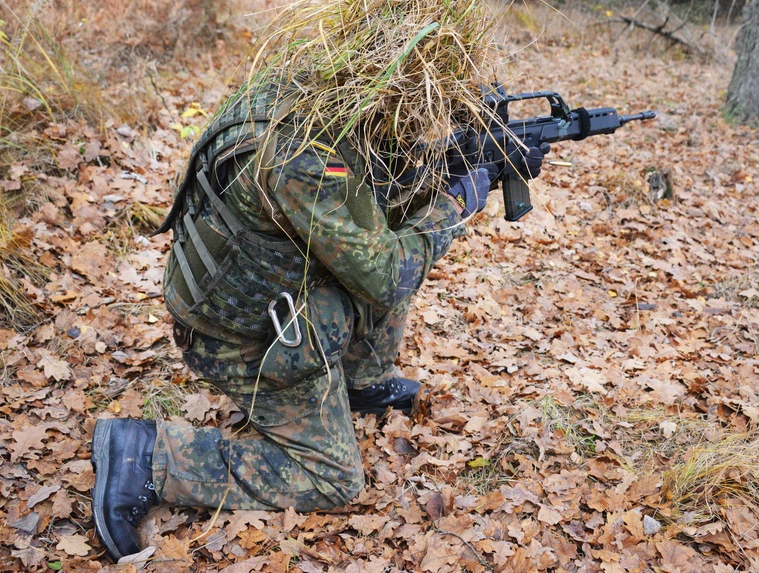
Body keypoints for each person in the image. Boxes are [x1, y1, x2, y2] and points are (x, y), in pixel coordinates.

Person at [89, 73, 548, 560]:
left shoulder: (298, 96)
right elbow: (384, 274)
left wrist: (447, 167)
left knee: (377, 249)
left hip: (260, 299)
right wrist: (456, 200)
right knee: (332, 480)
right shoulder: (300, 158)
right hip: (239, 338)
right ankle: (147, 458)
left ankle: (360, 383)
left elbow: (373, 206)